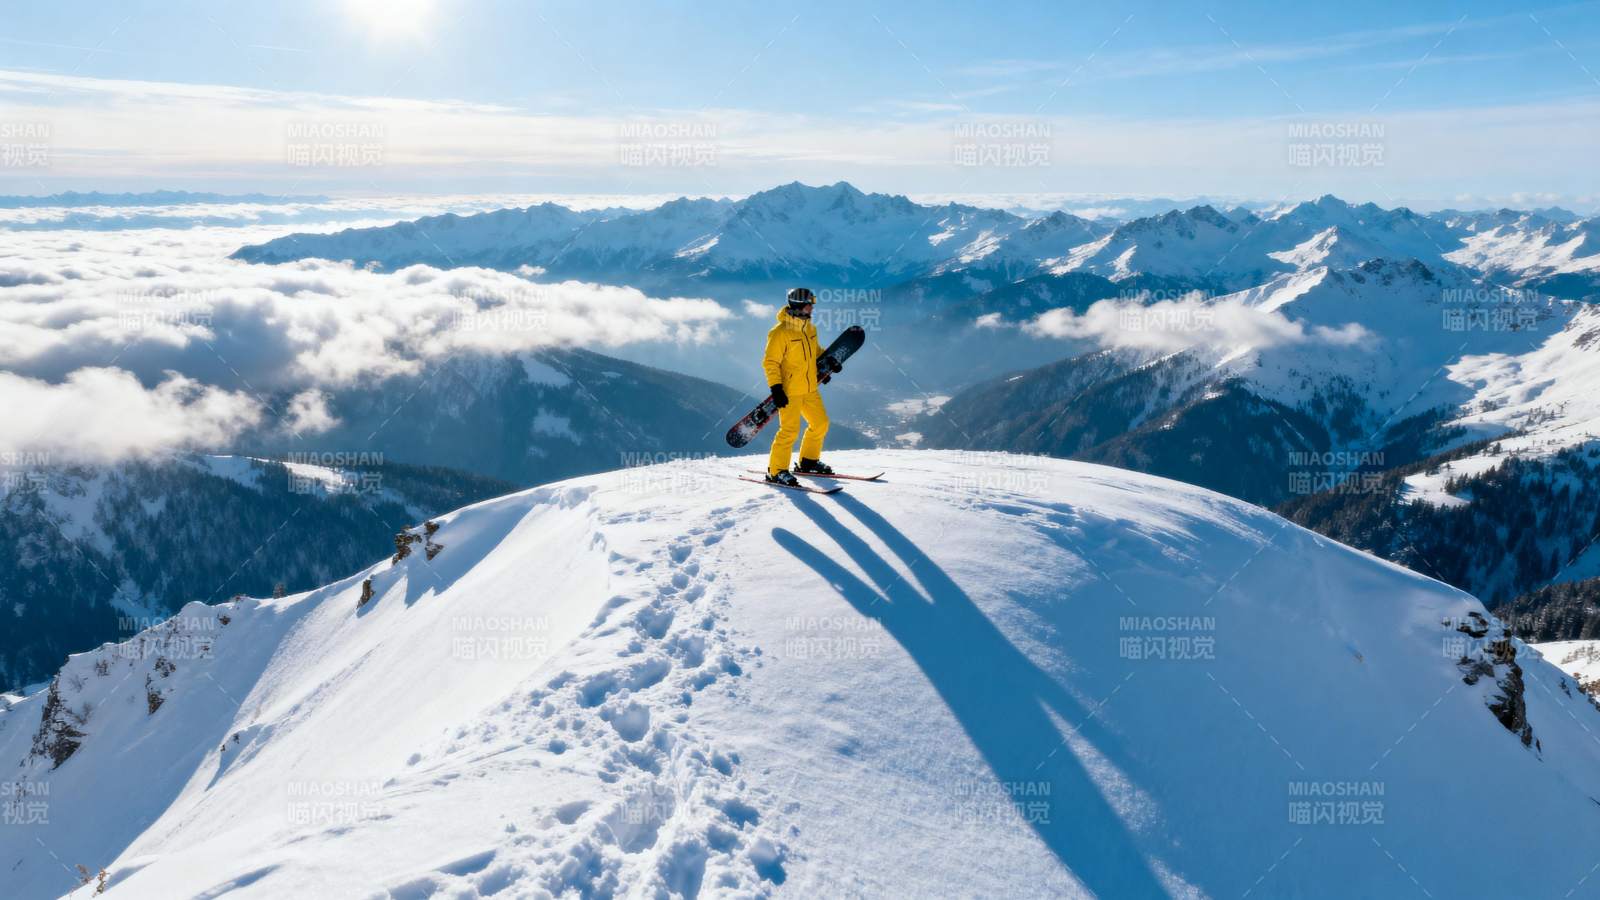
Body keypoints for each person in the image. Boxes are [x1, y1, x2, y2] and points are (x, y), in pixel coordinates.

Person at [762, 287, 842, 486]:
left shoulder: (809, 328)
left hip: (810, 388)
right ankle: (776, 471)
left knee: (821, 423)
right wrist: (776, 389)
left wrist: (829, 362)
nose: (812, 308)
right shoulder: (780, 333)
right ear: (798, 306)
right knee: (789, 431)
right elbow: (771, 363)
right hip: (790, 392)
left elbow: (815, 351)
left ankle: (808, 461)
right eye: (809, 304)